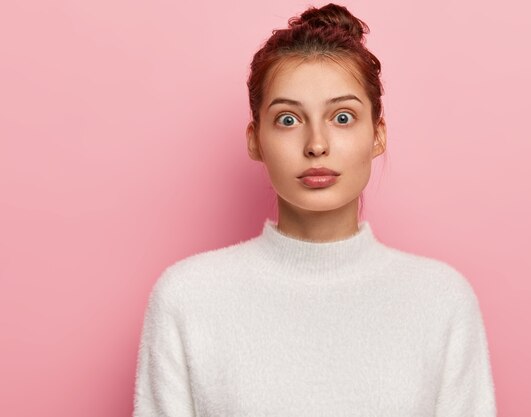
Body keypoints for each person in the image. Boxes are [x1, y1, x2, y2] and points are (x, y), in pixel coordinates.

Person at [132, 3, 497, 416]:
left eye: (342, 117)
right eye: (288, 120)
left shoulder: (440, 300)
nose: (316, 144)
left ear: (377, 135)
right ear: (255, 140)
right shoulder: (188, 298)